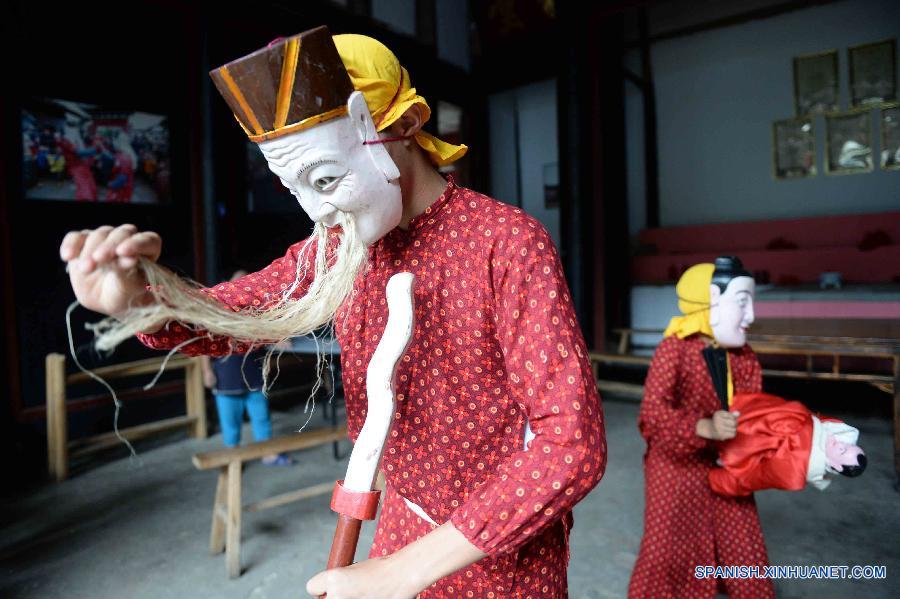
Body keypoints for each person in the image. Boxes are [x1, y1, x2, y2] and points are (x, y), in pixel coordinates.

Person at [59, 27, 606, 598]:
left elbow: (570, 446)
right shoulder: (337, 247)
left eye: (325, 178)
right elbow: (231, 316)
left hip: (501, 551)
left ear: (405, 125)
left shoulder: (506, 242)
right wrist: (141, 301)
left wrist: (403, 572)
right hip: (400, 522)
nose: (319, 210)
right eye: (295, 187)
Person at [628, 257, 775, 598]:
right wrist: (703, 427)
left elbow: (754, 409)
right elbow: (652, 414)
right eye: (742, 303)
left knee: (744, 552)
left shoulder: (744, 356)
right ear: (710, 300)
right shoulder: (674, 350)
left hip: (729, 468)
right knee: (668, 554)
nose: (751, 316)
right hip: (675, 471)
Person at [199, 272, 292, 466]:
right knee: (230, 422)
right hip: (226, 378)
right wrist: (206, 372)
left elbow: (269, 333)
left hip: (254, 375)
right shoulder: (217, 313)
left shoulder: (256, 312)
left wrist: (280, 338)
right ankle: (234, 459)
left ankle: (268, 454)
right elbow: (203, 347)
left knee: (262, 417)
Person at [709, 392, 866, 496]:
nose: (841, 445)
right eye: (846, 445)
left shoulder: (794, 472)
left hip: (730, 441)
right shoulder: (825, 427)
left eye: (843, 452)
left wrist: (715, 479)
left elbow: (756, 477)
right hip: (740, 407)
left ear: (837, 467)